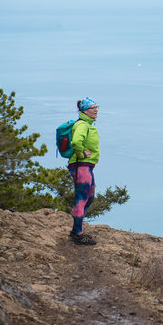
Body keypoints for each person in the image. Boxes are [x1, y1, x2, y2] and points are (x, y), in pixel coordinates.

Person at [68, 97, 100, 245]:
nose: (96, 110)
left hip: (86, 166)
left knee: (90, 196)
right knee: (81, 198)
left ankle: (76, 229)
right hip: (81, 165)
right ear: (85, 111)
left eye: (96, 107)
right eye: (92, 108)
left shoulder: (87, 124)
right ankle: (78, 234)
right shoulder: (82, 125)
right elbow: (75, 142)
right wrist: (81, 153)